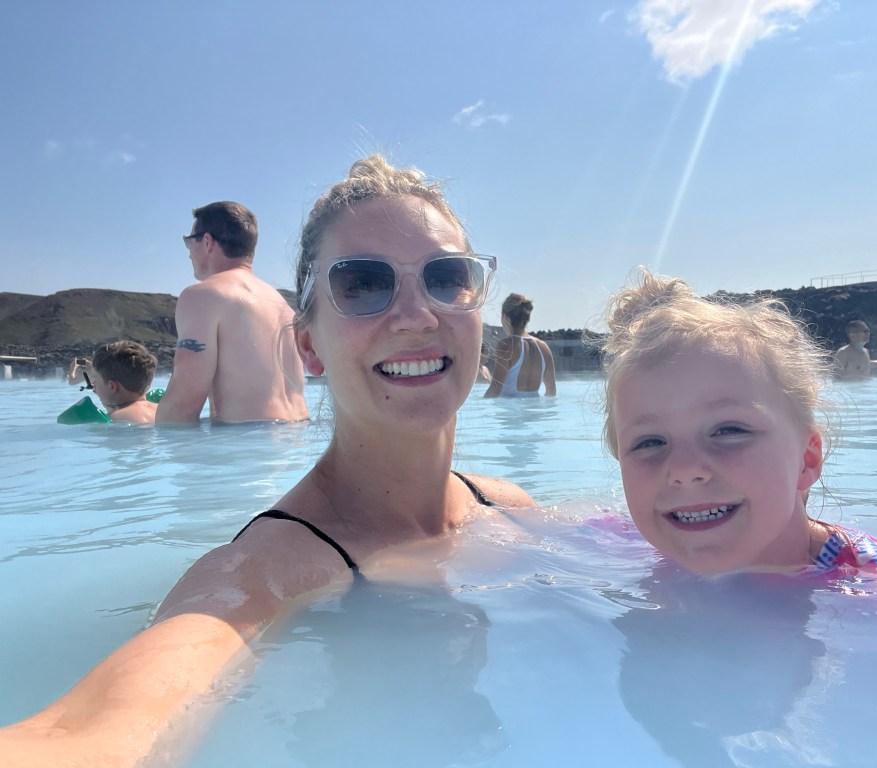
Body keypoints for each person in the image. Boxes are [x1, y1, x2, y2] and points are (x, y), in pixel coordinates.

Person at [1, 155, 535, 765]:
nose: (417, 316)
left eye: (447, 276)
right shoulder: (263, 573)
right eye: (362, 283)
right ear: (308, 348)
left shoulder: (511, 508)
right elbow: (89, 735)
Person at [597, 270, 877, 609]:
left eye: (728, 431)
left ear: (807, 460)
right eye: (649, 442)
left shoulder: (874, 583)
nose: (685, 470)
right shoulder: (626, 542)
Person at [156, 201, 309, 423]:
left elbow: (183, 403)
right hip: (298, 433)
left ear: (207, 242)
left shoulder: (202, 297)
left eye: (189, 242)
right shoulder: (282, 306)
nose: (189, 253)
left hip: (246, 438)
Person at [483, 293, 556, 398]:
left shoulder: (506, 345)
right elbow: (551, 392)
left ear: (505, 317)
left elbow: (495, 389)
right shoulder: (544, 347)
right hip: (535, 407)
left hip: (509, 407)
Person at [88, 341, 159, 425]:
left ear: (112, 386)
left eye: (95, 379)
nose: (93, 384)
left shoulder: (117, 418)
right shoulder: (161, 410)